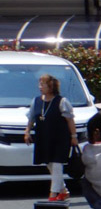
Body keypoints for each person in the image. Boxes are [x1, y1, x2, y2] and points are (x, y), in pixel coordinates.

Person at [24, 73, 77, 201]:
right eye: (40, 84)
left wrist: (74, 136)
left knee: (57, 164)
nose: (40, 86)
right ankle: (63, 190)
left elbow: (70, 120)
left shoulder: (61, 101)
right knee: (49, 164)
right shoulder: (36, 101)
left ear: (51, 86)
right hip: (43, 137)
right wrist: (27, 132)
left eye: (43, 84)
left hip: (60, 138)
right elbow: (31, 118)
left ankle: (53, 194)